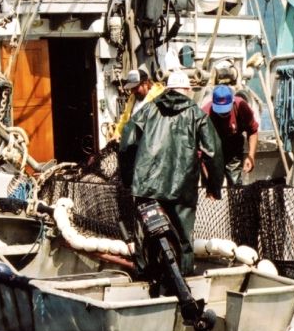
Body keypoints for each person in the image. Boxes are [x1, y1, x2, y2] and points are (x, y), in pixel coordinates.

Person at [119, 71, 224, 275]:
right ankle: (184, 277)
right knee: (184, 237)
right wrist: (214, 187)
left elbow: (127, 143)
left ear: (167, 89)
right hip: (182, 187)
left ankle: (144, 276)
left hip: (147, 185)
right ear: (187, 90)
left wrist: (128, 178)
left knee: (145, 234)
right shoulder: (196, 114)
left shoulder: (147, 110)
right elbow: (214, 152)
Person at [202, 85, 259, 185]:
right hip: (212, 147)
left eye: (225, 111)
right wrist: (205, 171)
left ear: (232, 102)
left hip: (233, 146)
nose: (223, 115)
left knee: (235, 182)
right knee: (210, 184)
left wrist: (251, 156)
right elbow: (199, 146)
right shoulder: (205, 113)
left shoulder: (241, 107)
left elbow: (253, 131)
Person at [111, 68, 165, 142]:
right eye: (131, 89)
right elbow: (125, 118)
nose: (132, 91)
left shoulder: (159, 96)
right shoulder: (132, 98)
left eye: (135, 88)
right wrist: (117, 133)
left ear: (145, 83)